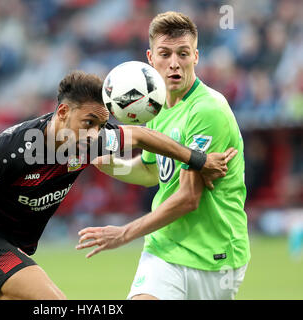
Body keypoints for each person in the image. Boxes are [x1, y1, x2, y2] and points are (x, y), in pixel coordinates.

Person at [0, 70, 235, 300]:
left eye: (101, 124)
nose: (96, 133)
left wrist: (198, 160)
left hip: (12, 245)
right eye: (89, 122)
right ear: (62, 113)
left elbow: (140, 137)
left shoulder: (91, 138)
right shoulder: (13, 150)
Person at [77, 12, 250, 300]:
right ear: (150, 57)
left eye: (183, 54)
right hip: (163, 249)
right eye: (165, 53)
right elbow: (151, 173)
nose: (174, 63)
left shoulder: (207, 110)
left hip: (213, 256)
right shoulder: (155, 109)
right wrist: (109, 165)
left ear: (195, 56)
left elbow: (188, 198)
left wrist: (123, 234)